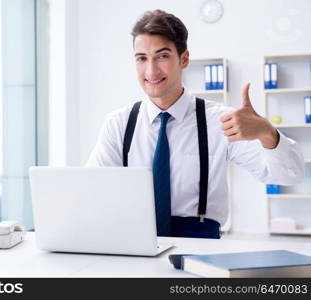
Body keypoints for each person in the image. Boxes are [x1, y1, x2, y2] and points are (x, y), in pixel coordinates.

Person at [86, 10, 304, 239]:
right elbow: (92, 191)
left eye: (162, 56)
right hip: (133, 241)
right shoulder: (118, 124)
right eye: (142, 58)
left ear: (184, 59)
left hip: (200, 246)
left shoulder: (221, 121)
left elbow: (289, 176)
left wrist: (266, 133)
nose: (151, 71)